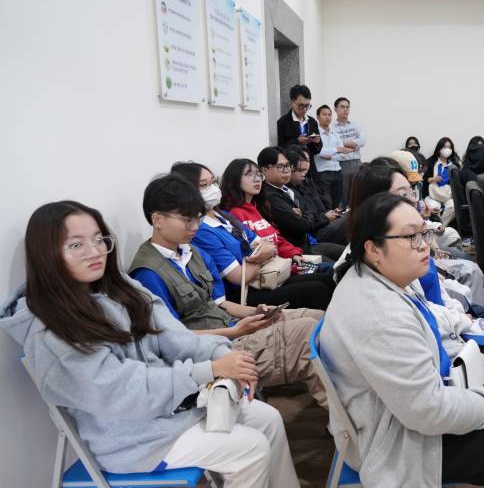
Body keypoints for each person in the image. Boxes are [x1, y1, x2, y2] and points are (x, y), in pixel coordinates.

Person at [1, 200, 300, 488]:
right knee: (251, 448)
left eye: (99, 239)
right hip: (133, 439)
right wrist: (209, 370)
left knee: (268, 419)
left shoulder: (122, 288)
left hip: (174, 408)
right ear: (47, 254)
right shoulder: (50, 328)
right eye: (76, 245)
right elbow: (121, 391)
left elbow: (177, 337)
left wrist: (228, 359)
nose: (95, 251)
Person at [321, 192, 484, 488]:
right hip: (401, 440)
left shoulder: (392, 279)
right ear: (373, 249)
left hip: (416, 406)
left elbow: (442, 339)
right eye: (411, 237)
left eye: (424, 232)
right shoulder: (378, 313)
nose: (424, 244)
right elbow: (427, 410)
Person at [130, 174, 327, 408]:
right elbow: (173, 342)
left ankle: (342, 410)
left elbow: (220, 303)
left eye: (197, 218)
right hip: (215, 351)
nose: (195, 227)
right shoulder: (148, 274)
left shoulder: (191, 252)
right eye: (186, 220)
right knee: (308, 331)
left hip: (232, 328)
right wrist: (233, 331)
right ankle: (345, 418)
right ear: (157, 219)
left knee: (319, 319)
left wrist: (256, 312)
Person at [171, 162, 334, 310]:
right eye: (204, 185)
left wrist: (262, 254)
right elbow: (239, 277)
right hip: (243, 293)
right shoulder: (201, 230)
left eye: (213, 182)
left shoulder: (225, 216)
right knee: (317, 289)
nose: (213, 188)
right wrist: (262, 254)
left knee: (325, 279)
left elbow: (267, 245)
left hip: (266, 276)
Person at [218, 158, 339, 273]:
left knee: (335, 267)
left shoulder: (258, 206)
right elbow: (251, 252)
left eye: (259, 174)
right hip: (268, 272)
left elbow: (276, 238)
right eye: (249, 175)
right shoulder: (232, 214)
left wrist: (293, 253)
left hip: (286, 262)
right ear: (235, 180)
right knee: (328, 273)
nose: (257, 179)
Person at [257, 147, 345, 260]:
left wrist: (303, 214)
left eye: (288, 165)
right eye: (280, 166)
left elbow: (308, 211)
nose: (286, 170)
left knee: (348, 254)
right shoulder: (270, 196)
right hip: (295, 250)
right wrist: (305, 215)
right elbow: (301, 225)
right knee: (336, 266)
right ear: (264, 170)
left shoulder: (289, 190)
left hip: (308, 243)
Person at [285, 146, 348, 246]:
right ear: (291, 167)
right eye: (300, 170)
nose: (306, 165)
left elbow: (324, 204)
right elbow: (306, 220)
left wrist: (332, 212)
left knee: (351, 216)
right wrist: (325, 217)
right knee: (349, 221)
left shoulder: (308, 182)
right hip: (316, 232)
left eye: (308, 160)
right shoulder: (289, 191)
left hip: (325, 223)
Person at [330, 97, 366, 206]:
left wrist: (344, 144)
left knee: (357, 192)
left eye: (347, 107)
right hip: (341, 164)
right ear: (335, 109)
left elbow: (362, 140)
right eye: (342, 107)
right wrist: (353, 145)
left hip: (356, 162)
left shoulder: (356, 123)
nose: (345, 109)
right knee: (343, 194)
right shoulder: (331, 127)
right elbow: (334, 144)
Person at [276, 84, 321, 164]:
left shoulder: (312, 121)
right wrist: (297, 141)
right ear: (292, 102)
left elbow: (316, 151)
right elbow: (280, 148)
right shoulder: (283, 122)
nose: (304, 109)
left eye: (307, 105)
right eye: (301, 105)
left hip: (310, 166)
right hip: (292, 165)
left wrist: (317, 142)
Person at [421, 137, 460, 226]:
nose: (447, 150)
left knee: (453, 207)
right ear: (439, 149)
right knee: (434, 207)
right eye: (445, 147)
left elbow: (457, 183)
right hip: (432, 195)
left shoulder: (454, 165)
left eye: (449, 147)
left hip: (448, 195)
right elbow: (424, 179)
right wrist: (433, 179)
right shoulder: (430, 162)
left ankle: (441, 226)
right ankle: (438, 227)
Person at [314, 105, 346, 209]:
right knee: (326, 203)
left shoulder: (334, 133)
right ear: (318, 117)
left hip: (337, 171)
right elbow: (318, 152)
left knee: (337, 203)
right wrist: (336, 150)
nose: (327, 117)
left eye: (329, 115)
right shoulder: (315, 134)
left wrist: (330, 155)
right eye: (324, 114)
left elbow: (343, 152)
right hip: (323, 173)